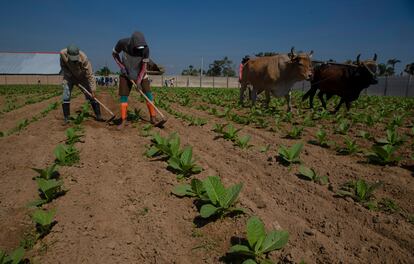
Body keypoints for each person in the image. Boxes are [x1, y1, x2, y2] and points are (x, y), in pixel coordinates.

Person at [112, 31, 158, 129]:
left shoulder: (145, 49)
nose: (140, 49)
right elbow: (114, 54)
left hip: (140, 73)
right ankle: (123, 120)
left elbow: (144, 67)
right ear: (132, 43)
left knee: (148, 94)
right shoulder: (122, 43)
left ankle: (153, 117)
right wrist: (122, 67)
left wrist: (139, 80)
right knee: (123, 96)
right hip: (126, 73)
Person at [60, 45, 102, 124]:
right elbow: (63, 67)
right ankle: (66, 118)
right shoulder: (62, 54)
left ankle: (98, 115)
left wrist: (93, 90)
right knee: (66, 94)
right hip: (69, 77)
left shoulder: (84, 58)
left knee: (90, 95)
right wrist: (69, 74)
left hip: (82, 77)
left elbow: (90, 75)